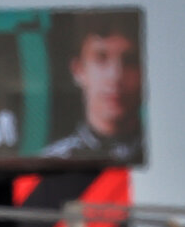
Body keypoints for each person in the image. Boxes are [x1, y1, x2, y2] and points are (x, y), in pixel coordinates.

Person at [42, 10, 144, 162]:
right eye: (101, 58)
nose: (115, 76)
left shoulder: (164, 154)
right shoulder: (51, 161)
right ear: (78, 70)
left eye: (129, 60)